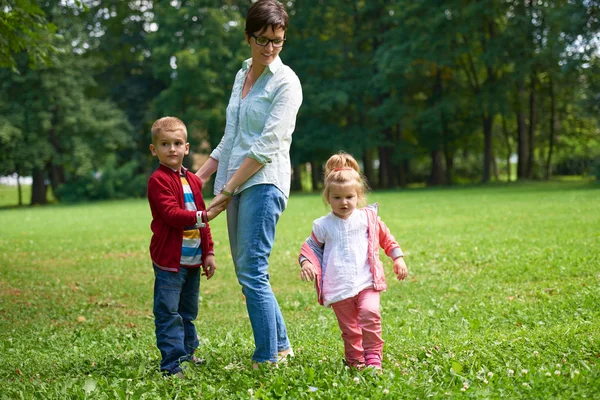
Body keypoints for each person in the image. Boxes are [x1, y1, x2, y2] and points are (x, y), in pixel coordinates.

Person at [195, 0, 302, 368]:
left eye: (278, 41)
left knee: (253, 269)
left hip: (264, 182)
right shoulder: (242, 75)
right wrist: (202, 176)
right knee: (247, 271)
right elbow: (232, 137)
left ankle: (267, 357)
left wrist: (227, 191)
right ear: (248, 36)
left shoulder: (287, 83)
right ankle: (282, 346)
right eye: (263, 40)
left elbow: (265, 147)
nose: (270, 48)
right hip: (235, 182)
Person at [298, 152, 408, 371]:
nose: (344, 202)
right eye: (337, 198)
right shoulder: (323, 225)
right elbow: (310, 247)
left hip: (366, 280)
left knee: (370, 314)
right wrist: (306, 263)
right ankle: (355, 362)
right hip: (338, 285)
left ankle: (373, 357)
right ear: (328, 198)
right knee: (350, 329)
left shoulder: (367, 218)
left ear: (358, 196)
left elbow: (386, 238)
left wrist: (398, 258)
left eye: (349, 197)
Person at [147, 116, 224, 377]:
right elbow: (171, 214)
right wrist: (204, 217)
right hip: (170, 261)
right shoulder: (158, 181)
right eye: (165, 144)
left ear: (187, 148)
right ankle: (171, 364)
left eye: (177, 143)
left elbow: (203, 217)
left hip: (192, 260)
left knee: (187, 312)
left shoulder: (192, 180)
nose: (172, 149)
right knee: (168, 312)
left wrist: (209, 252)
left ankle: (189, 353)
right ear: (154, 149)